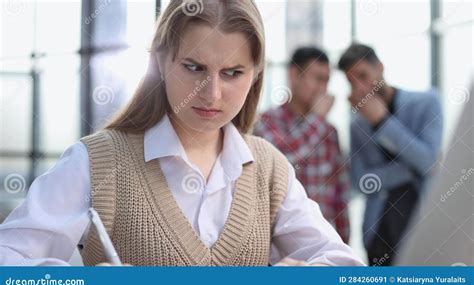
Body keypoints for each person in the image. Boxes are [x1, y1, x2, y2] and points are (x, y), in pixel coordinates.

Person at [0, 0, 364, 267]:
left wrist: (309, 274)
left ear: (256, 74)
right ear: (160, 62)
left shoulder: (269, 169)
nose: (212, 93)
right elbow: (8, 260)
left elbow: (343, 265)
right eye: (193, 67)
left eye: (233, 72)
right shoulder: (96, 161)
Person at [338, 43, 443, 266]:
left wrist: (382, 122)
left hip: (422, 227)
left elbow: (427, 162)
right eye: (351, 81)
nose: (360, 87)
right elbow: (359, 182)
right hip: (378, 233)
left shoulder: (426, 103)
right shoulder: (357, 124)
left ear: (381, 68)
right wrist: (411, 169)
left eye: (363, 75)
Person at [253, 47, 351, 243]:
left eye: (326, 80)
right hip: (278, 242)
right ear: (293, 75)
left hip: (324, 242)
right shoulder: (265, 123)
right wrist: (317, 119)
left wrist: (343, 241)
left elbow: (339, 193)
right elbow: (284, 161)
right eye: (316, 78)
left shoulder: (329, 131)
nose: (322, 88)